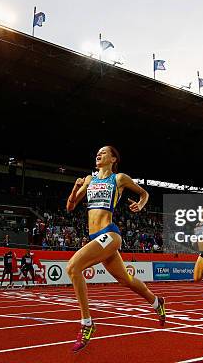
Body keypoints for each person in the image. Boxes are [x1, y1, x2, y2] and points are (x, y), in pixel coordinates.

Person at [65, 146, 166, 352]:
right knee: (125, 279)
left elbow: (144, 193)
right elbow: (70, 206)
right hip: (96, 237)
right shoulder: (89, 180)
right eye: (97, 152)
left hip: (110, 234)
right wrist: (76, 189)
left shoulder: (119, 179)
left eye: (103, 152)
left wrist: (141, 204)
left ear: (113, 158)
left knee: (73, 268)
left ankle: (87, 323)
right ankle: (157, 302)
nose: (98, 154)